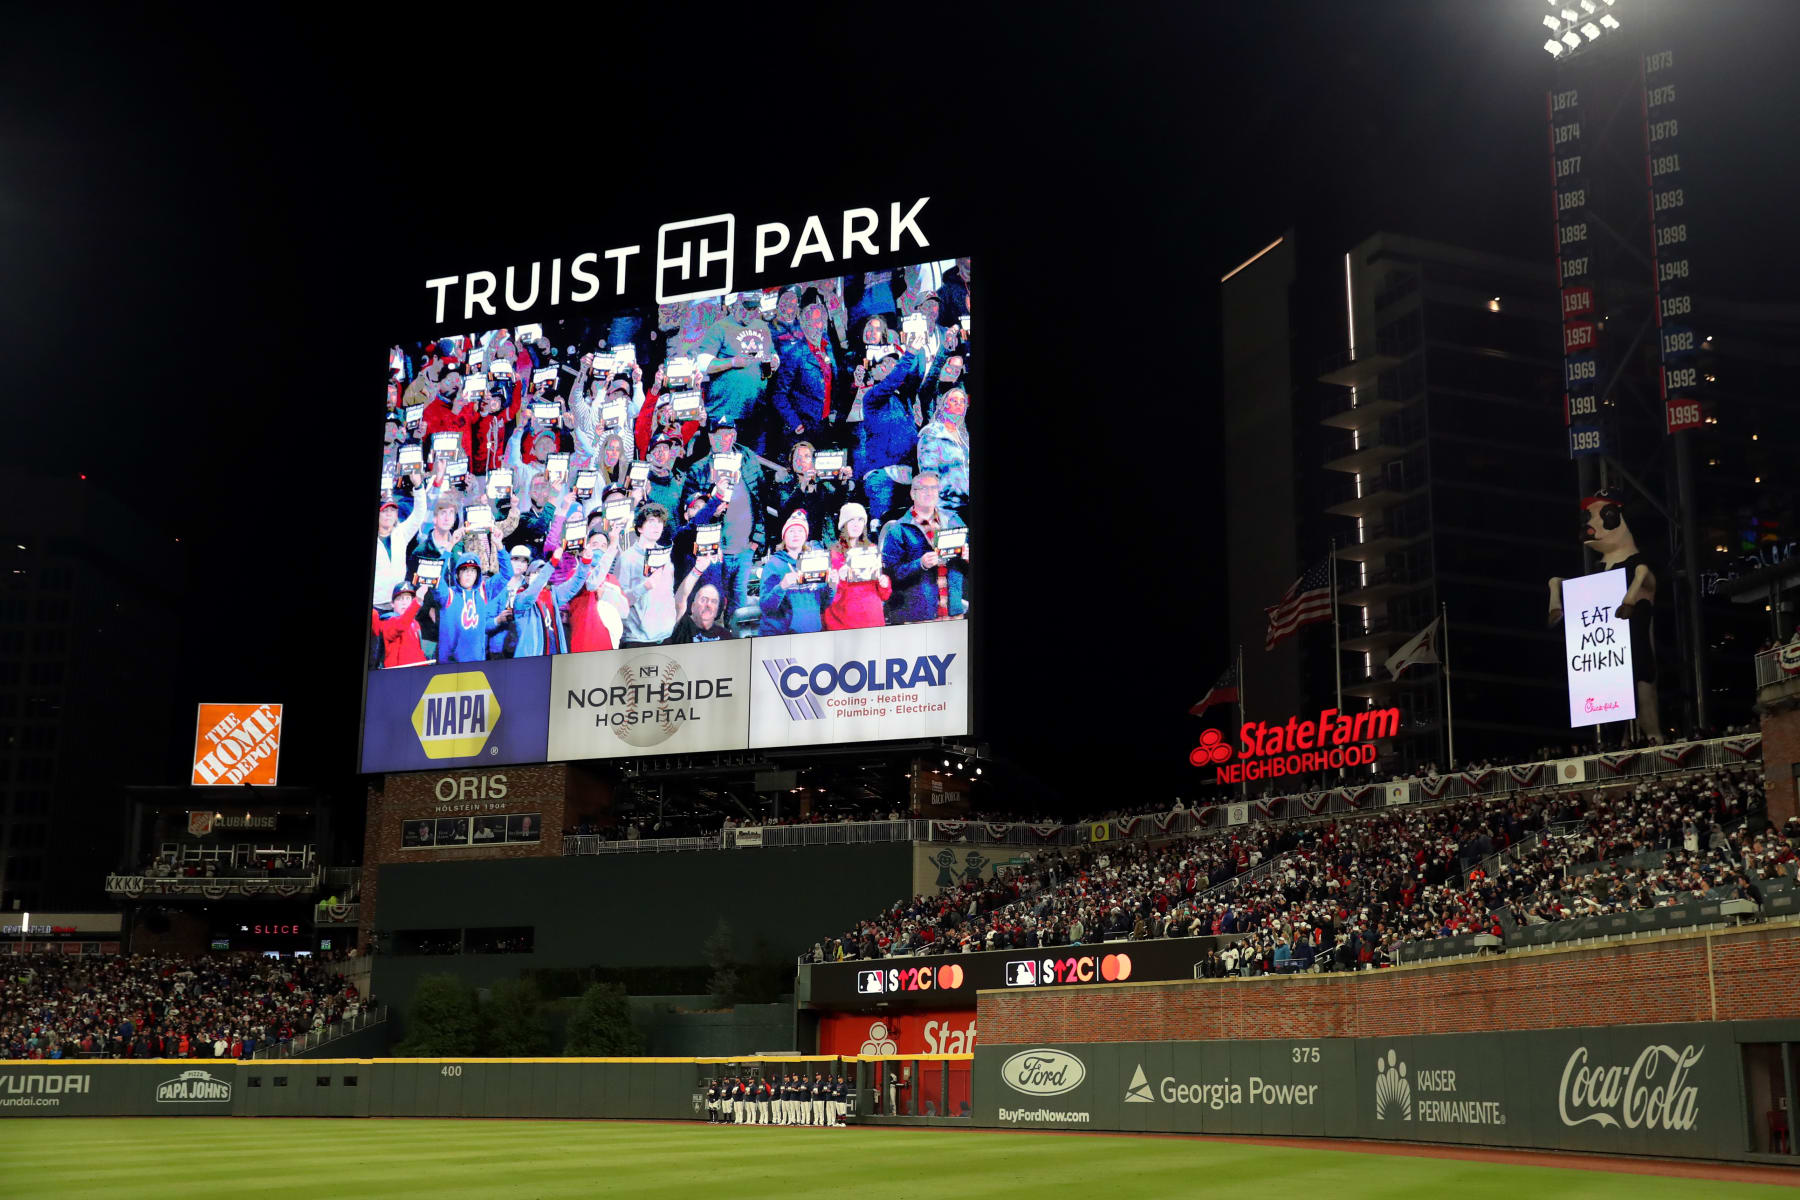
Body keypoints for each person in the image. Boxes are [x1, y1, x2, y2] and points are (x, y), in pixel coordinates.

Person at [678, 419, 766, 629]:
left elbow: (761, 499)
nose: (723, 440)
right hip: (715, 553)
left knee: (739, 606)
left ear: (734, 436)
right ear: (709, 437)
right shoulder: (698, 469)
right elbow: (689, 511)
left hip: (744, 549)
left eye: (728, 434)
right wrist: (711, 496)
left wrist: (756, 539)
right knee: (713, 601)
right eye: (717, 435)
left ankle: (736, 643)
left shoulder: (748, 460)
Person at [880, 472, 969, 625]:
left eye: (933, 488)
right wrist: (920, 564)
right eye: (923, 488)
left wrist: (967, 557)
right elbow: (889, 576)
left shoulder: (954, 520)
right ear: (912, 494)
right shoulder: (898, 529)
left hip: (952, 611)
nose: (929, 492)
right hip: (917, 616)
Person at [770, 299, 842, 459]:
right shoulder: (794, 353)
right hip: (803, 428)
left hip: (825, 425)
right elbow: (779, 395)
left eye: (819, 321)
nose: (815, 326)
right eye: (810, 322)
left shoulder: (828, 347)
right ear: (802, 324)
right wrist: (795, 423)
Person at [696, 290, 776, 429]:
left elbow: (772, 353)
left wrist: (776, 361)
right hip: (725, 411)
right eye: (747, 308)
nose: (750, 313)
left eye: (754, 309)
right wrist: (732, 362)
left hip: (755, 410)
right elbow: (702, 364)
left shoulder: (762, 327)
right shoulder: (720, 327)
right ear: (736, 304)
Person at [433, 551, 514, 662]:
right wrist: (448, 548)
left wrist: (499, 547)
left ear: (477, 575)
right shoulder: (447, 595)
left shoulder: (483, 592)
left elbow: (507, 573)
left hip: (477, 661)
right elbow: (436, 576)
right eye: (465, 570)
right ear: (457, 574)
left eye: (473, 571)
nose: (469, 574)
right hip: (450, 663)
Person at [758, 511, 830, 636]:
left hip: (812, 634)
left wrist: (832, 585)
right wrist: (782, 586)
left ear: (806, 535)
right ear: (784, 536)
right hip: (782, 636)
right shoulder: (773, 565)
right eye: (791, 531)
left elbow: (825, 603)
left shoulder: (816, 563)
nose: (796, 534)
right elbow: (766, 607)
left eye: (800, 530)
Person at [617, 504, 678, 646]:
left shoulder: (666, 555)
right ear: (640, 528)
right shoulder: (627, 558)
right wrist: (644, 586)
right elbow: (622, 601)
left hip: (666, 634)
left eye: (660, 522)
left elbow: (669, 594)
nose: (656, 526)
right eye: (651, 521)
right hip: (637, 638)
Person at [824, 502, 891, 630]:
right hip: (845, 623)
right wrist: (840, 580)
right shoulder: (833, 554)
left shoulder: (872, 549)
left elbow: (884, 595)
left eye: (860, 520)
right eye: (851, 520)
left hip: (873, 620)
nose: (856, 524)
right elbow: (828, 598)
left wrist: (885, 584)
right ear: (844, 524)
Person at [916, 386, 971, 515]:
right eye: (954, 400)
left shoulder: (964, 436)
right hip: (947, 507)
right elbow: (929, 475)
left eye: (962, 401)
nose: (959, 404)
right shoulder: (932, 433)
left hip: (966, 504)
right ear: (944, 405)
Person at [371, 583, 430, 668]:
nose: (404, 602)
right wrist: (417, 601)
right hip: (399, 676)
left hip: (419, 673)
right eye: (400, 599)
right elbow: (401, 624)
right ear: (392, 604)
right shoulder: (387, 622)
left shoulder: (415, 623)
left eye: (408, 598)